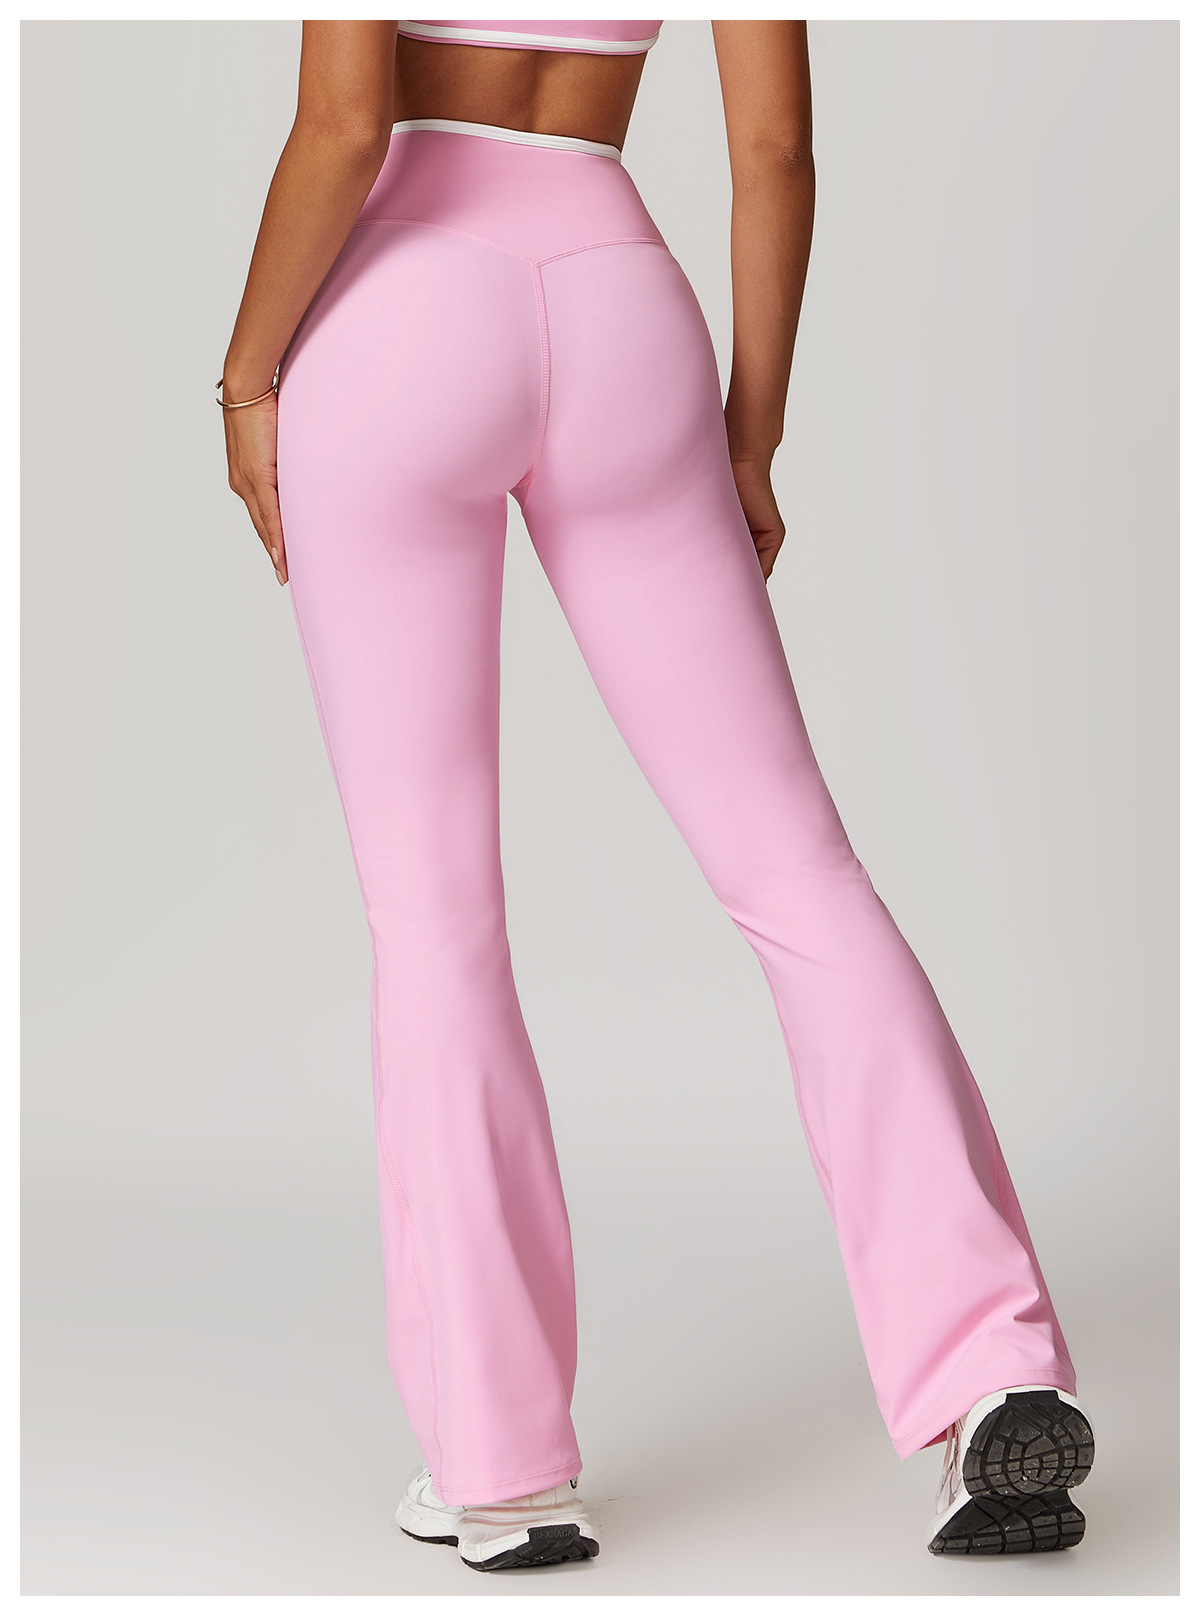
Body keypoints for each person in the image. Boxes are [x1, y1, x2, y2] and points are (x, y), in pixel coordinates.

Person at [220, 19, 1095, 1573]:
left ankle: (503, 1472)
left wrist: (243, 379)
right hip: (620, 297)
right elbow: (774, 150)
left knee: (433, 910)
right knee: (799, 873)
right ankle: (991, 1367)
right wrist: (750, 431)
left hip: (397, 307)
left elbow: (346, 124)